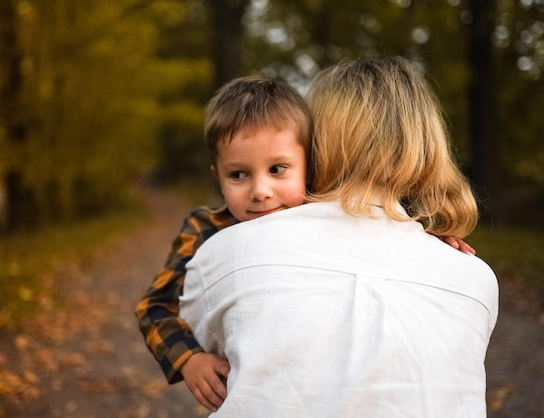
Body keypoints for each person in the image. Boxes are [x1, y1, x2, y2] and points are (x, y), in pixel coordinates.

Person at [179, 56, 499, 417]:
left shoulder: (225, 253)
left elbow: (193, 335)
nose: (261, 190)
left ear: (316, 146)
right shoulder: (476, 280)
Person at [134, 75, 313, 411]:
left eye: (278, 169)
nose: (260, 191)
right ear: (218, 176)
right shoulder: (206, 228)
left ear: (308, 165)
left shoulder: (327, 216)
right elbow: (154, 307)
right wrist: (189, 359)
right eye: (239, 175)